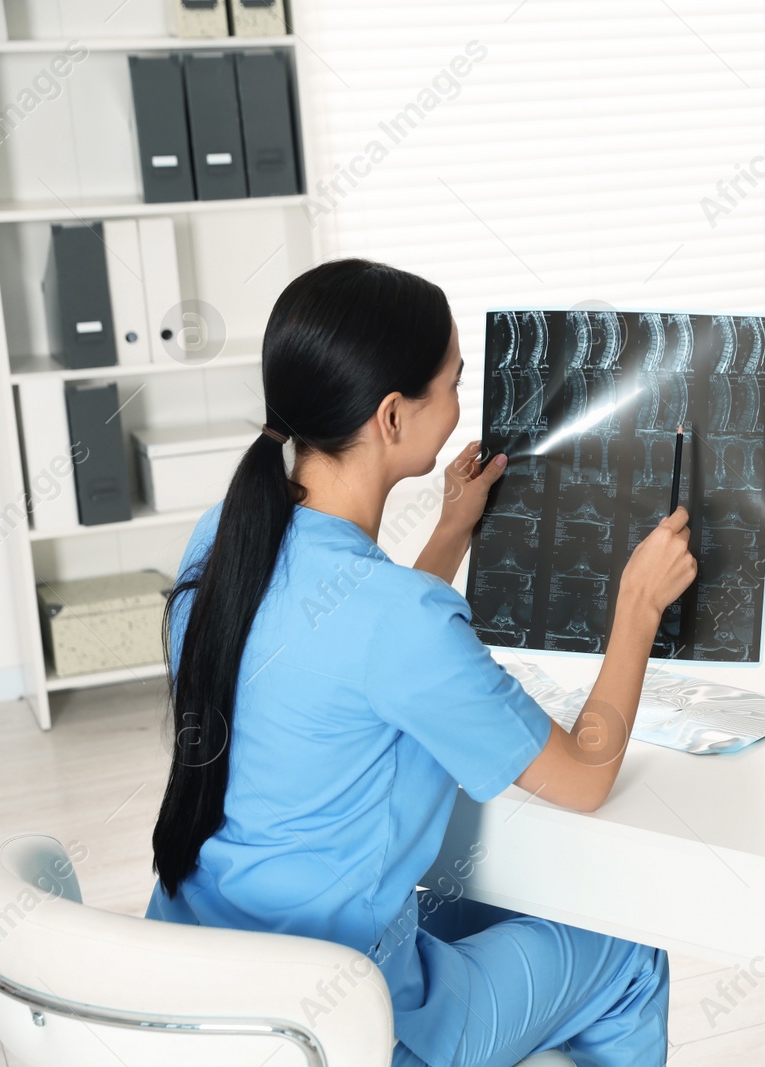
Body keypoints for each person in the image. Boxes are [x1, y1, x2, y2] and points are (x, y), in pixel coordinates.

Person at [145, 258, 697, 1067]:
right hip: (349, 1028)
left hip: (202, 996)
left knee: (482, 906)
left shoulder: (224, 535)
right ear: (393, 416)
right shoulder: (399, 619)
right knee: (629, 951)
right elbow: (584, 776)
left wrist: (448, 536)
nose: (462, 405)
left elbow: (348, 650)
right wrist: (638, 609)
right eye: (453, 384)